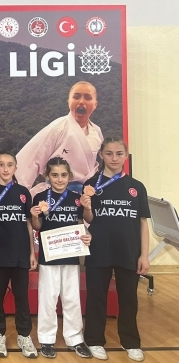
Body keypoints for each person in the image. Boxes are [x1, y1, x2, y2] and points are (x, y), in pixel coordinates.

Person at [82, 137, 150, 362]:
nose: (114, 158)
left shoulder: (136, 187)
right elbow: (89, 219)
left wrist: (144, 255)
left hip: (128, 251)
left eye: (119, 153)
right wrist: (87, 208)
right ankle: (94, 340)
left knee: (129, 299)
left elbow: (142, 223)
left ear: (125, 156)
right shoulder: (91, 185)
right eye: (109, 153)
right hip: (98, 250)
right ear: (101, 155)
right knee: (96, 298)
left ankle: (130, 342)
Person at [30, 157, 93, 359]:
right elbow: (38, 227)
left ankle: (75, 338)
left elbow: (84, 221)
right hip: (49, 256)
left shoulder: (76, 198)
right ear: (47, 176)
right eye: (55, 175)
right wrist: (34, 216)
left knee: (72, 298)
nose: (59, 179)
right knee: (47, 298)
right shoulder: (40, 197)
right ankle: (46, 339)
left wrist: (86, 226)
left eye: (63, 175)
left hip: (71, 255)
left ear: (70, 176)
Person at [0, 152, 38, 358]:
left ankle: (24, 336)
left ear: (15, 168)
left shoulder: (23, 192)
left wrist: (31, 252)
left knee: (22, 298)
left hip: (21, 253)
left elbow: (28, 223)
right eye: (1, 165)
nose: (5, 169)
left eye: (9, 165)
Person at [16, 81, 103, 195]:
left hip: (85, 194)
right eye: (76, 97)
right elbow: (31, 160)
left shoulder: (96, 131)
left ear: (95, 104)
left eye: (87, 97)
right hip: (56, 193)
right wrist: (18, 194)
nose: (81, 101)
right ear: (69, 101)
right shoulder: (58, 128)